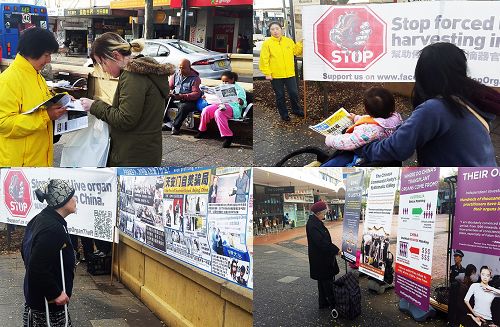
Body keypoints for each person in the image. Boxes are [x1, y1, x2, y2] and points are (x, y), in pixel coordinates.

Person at [362, 42, 500, 166]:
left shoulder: (435, 108)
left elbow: (398, 148)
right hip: (485, 183)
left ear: (424, 74)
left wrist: (365, 148)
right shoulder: (469, 97)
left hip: (461, 187)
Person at [80, 32, 174, 166]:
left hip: (132, 157)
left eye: (103, 63)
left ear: (116, 56)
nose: (103, 69)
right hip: (146, 152)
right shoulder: (146, 72)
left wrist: (94, 105)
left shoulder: (133, 76)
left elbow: (125, 119)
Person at [0, 28, 66, 167]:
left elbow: (41, 104)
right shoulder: (9, 80)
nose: (48, 60)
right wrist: (45, 116)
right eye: (46, 55)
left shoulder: (36, 76)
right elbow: (4, 123)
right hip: (20, 166)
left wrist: (62, 100)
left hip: (38, 161)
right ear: (32, 52)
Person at [21, 179, 77, 326]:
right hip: (48, 303)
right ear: (62, 201)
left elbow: (26, 251)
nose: (75, 199)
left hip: (40, 298)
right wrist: (55, 293)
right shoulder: (52, 229)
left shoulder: (42, 218)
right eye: (72, 196)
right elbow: (36, 266)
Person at [322, 87, 403, 166]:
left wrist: (330, 140)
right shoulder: (396, 118)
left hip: (366, 158)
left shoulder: (369, 130)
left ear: (367, 110)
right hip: (386, 154)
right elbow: (374, 120)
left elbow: (348, 142)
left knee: (330, 165)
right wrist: (356, 118)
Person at [259, 21, 304, 121]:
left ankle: (296, 110)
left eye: (277, 28)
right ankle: (284, 114)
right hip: (275, 75)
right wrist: (267, 73)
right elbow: (264, 59)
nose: (275, 31)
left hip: (289, 73)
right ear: (270, 31)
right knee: (280, 95)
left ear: (281, 29)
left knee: (294, 93)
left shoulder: (288, 41)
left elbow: (296, 52)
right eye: (272, 29)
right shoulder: (267, 43)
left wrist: (301, 44)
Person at [195, 71, 247, 148]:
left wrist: (241, 101)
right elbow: (215, 97)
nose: (224, 83)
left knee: (219, 113)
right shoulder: (220, 86)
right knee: (206, 110)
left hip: (233, 107)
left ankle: (228, 136)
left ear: (232, 80)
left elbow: (244, 104)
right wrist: (207, 97)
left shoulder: (239, 89)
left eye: (226, 81)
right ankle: (202, 130)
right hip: (220, 104)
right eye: (223, 81)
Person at [306, 201, 340, 309]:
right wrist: (336, 250)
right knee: (327, 282)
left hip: (320, 259)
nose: (325, 214)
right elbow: (322, 243)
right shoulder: (313, 225)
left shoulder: (315, 222)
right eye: (324, 212)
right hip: (321, 260)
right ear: (319, 212)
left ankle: (323, 303)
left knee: (322, 282)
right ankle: (333, 305)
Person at [166, 58, 202, 135]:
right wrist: (169, 93)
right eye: (180, 67)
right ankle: (167, 122)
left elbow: (196, 94)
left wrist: (182, 96)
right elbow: (169, 87)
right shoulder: (175, 75)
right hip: (175, 98)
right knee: (161, 100)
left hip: (189, 101)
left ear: (189, 67)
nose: (181, 70)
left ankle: (176, 127)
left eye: (184, 68)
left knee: (184, 107)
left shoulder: (195, 78)